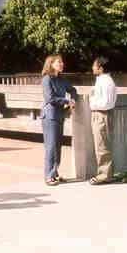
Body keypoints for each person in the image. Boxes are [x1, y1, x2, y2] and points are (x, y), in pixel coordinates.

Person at [40, 54, 77, 186]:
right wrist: (66, 101)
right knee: (51, 146)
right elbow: (50, 98)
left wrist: (73, 99)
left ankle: (55, 173)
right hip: (50, 116)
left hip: (60, 115)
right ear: (51, 64)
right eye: (59, 62)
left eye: (62, 62)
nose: (62, 64)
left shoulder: (61, 79)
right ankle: (48, 176)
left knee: (57, 147)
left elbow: (73, 90)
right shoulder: (46, 79)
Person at [88, 56, 117, 185]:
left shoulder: (106, 81)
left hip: (101, 114)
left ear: (101, 68)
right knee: (101, 144)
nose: (93, 67)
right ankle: (105, 173)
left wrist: (92, 101)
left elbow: (106, 103)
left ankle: (105, 175)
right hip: (100, 114)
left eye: (95, 65)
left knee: (102, 146)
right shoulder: (102, 80)